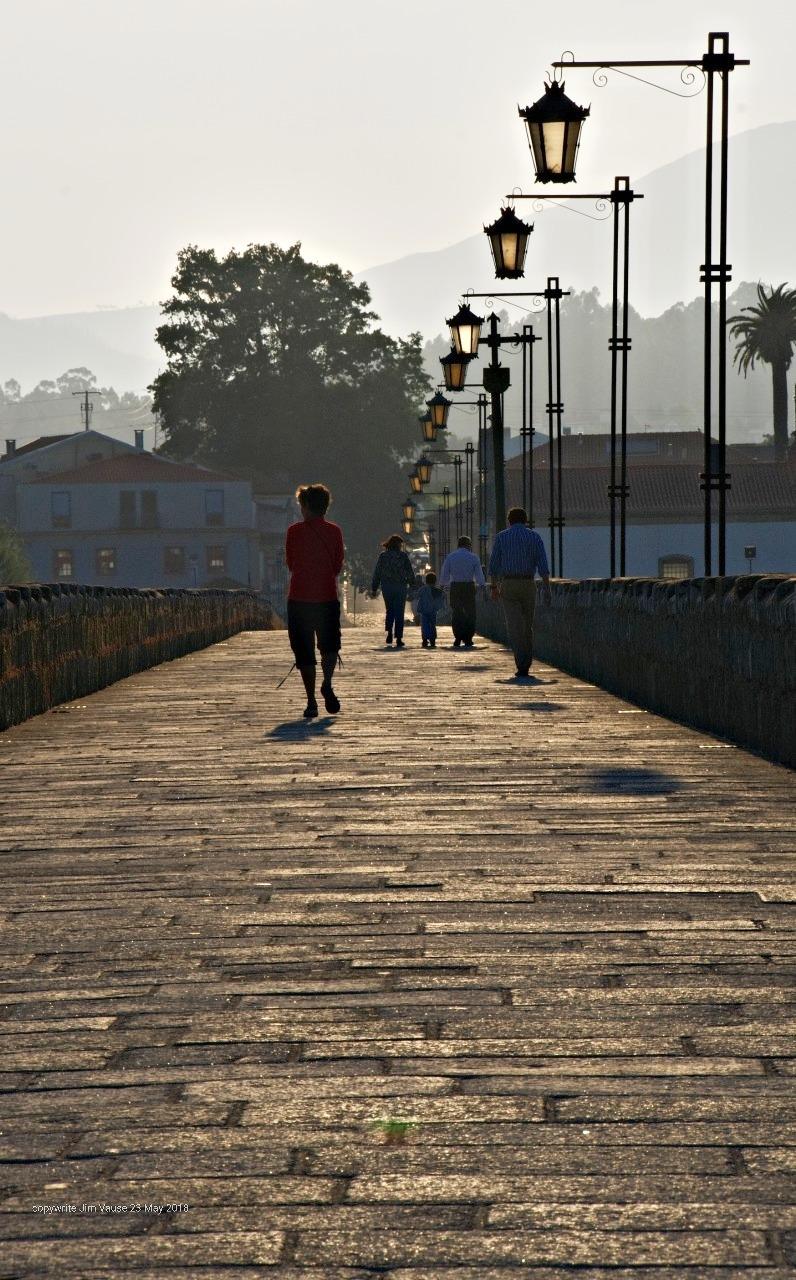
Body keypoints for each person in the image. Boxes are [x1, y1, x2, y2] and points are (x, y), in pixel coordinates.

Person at [285, 483, 344, 718]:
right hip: (327, 597)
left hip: (299, 598)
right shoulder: (335, 531)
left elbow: (290, 563)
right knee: (329, 646)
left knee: (304, 650)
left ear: (306, 506)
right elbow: (338, 565)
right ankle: (327, 682)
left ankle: (311, 701)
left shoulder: (294, 531)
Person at [488, 507, 552, 678]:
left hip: (508, 584)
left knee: (515, 626)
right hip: (528, 584)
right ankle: (526, 662)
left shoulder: (502, 537)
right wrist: (547, 588)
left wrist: (494, 588)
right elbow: (543, 566)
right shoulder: (535, 537)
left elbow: (493, 566)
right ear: (525, 520)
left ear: (509, 521)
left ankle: (521, 664)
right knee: (527, 625)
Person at [439, 534, 486, 648]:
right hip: (469, 586)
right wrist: (482, 585)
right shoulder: (474, 557)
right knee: (470, 612)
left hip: (455, 587)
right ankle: (468, 638)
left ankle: (458, 637)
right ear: (468, 545)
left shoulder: (450, 557)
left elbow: (444, 573)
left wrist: (442, 585)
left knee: (457, 612)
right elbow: (479, 575)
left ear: (458, 545)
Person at [371, 534, 415, 648]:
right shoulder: (403, 556)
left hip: (387, 587)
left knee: (389, 610)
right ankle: (399, 638)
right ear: (398, 545)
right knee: (399, 612)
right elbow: (410, 572)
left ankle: (389, 632)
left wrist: (374, 588)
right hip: (400, 587)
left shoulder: (383, 556)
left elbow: (377, 572)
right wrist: (413, 584)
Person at [415, 572, 444, 648]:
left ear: (426, 581)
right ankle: (432, 639)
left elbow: (417, 595)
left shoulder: (422, 589)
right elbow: (441, 598)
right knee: (432, 625)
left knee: (424, 625)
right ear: (435, 581)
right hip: (433, 611)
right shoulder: (437, 590)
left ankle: (425, 639)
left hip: (424, 611)